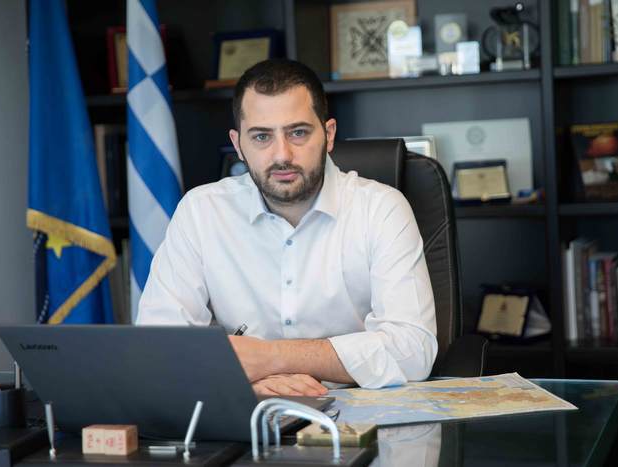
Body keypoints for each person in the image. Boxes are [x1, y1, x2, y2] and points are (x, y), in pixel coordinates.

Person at [136, 59, 437, 397]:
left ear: (329, 134)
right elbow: (160, 346)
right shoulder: (201, 211)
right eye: (261, 136)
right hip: (245, 406)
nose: (282, 155)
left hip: (361, 411)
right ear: (238, 145)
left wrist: (268, 358)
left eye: (298, 132)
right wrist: (249, 379)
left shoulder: (381, 208)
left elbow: (414, 351)